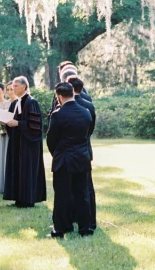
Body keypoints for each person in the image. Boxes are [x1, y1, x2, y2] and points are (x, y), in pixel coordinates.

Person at [46, 81, 93, 238]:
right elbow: (87, 134)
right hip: (82, 158)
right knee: (82, 194)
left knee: (62, 195)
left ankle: (60, 228)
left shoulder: (58, 114)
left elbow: (51, 139)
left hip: (64, 159)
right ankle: (85, 228)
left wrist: (57, 154)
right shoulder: (86, 112)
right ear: (73, 93)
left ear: (59, 96)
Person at [3, 76, 46, 208]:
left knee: (26, 170)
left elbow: (35, 126)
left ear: (24, 87)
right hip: (16, 143)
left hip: (27, 144)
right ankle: (18, 198)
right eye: (13, 86)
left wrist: (18, 123)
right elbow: (11, 121)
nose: (13, 88)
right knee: (16, 169)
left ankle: (28, 200)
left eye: (16, 86)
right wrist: (5, 122)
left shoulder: (31, 102)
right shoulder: (15, 103)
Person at [70, 76, 96, 232]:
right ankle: (89, 220)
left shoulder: (63, 106)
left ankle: (71, 217)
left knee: (69, 188)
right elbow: (91, 128)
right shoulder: (89, 105)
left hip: (68, 152)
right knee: (86, 188)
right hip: (85, 149)